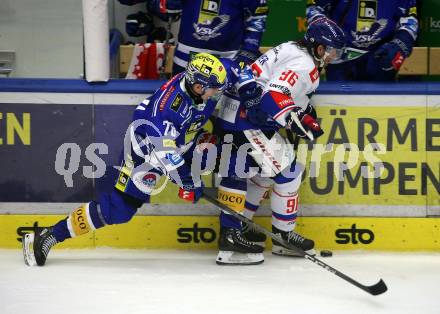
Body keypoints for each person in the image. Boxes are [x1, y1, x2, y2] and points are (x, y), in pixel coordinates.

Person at [22, 52, 256, 266]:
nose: (218, 92)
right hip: (147, 153)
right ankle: (49, 234)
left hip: (182, 143)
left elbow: (232, 68)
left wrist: (249, 85)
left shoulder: (203, 80)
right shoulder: (166, 112)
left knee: (235, 160)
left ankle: (231, 236)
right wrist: (188, 182)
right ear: (197, 86)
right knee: (119, 210)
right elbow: (168, 158)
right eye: (215, 89)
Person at [213, 17, 346, 265]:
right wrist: (297, 120)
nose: (333, 56)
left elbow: (280, 90)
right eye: (331, 50)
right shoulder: (306, 65)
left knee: (261, 174)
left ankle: (240, 229)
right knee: (290, 172)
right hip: (247, 118)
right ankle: (283, 238)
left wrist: (302, 114)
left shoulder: (292, 48)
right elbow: (274, 96)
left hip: (232, 112)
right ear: (318, 47)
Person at [306, 0, 419, 81]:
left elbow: (409, 19)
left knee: (382, 105)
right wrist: (322, 26)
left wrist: (400, 45)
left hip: (381, 56)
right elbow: (314, 8)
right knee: (339, 103)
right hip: (341, 57)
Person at [148, 0, 269, 74]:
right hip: (184, 62)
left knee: (222, 112)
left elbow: (257, 17)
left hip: (227, 63)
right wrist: (165, 5)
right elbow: (162, 10)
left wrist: (248, 51)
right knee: (182, 111)